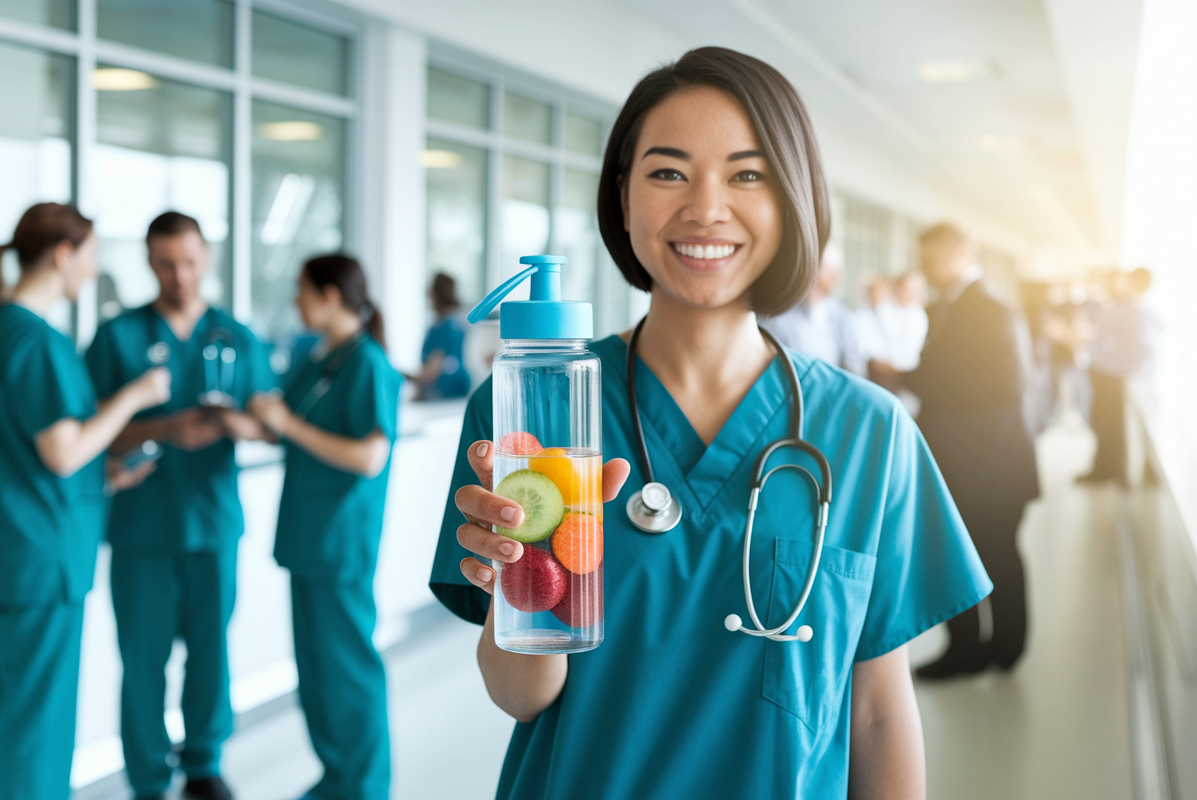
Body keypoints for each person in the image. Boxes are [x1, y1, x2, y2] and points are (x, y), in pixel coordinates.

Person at [429, 47, 990, 799]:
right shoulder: (534, 411)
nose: (705, 208)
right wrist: (517, 582)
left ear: (793, 200)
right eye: (668, 172)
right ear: (623, 196)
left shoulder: (869, 435)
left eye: (747, 175)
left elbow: (880, 713)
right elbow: (521, 695)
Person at [0, 203, 170, 800]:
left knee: (7, 710)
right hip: (39, 561)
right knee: (36, 724)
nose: (93, 270)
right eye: (93, 255)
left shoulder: (3, 331)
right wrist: (133, 397)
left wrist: (102, 481)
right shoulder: (34, 338)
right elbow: (61, 451)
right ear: (63, 254)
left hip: (14, 553)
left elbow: (33, 457)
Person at [84, 211, 273, 800]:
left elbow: (269, 421)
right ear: (148, 261)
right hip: (143, 529)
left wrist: (239, 424)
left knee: (210, 653)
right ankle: (146, 777)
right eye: (166, 263)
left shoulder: (235, 336)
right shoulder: (119, 336)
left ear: (206, 258)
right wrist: (164, 426)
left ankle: (203, 764)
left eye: (189, 261)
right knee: (143, 660)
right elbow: (86, 431)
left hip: (213, 523)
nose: (179, 275)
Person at [246, 254, 402, 800]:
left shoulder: (367, 364)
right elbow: (283, 423)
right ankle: (338, 780)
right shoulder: (320, 360)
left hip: (341, 541)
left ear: (332, 295)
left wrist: (286, 423)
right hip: (308, 540)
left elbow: (369, 456)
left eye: (303, 291)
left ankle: (364, 787)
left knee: (347, 673)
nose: (296, 302)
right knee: (316, 674)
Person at [870, 222, 1038, 679]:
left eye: (931, 259)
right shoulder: (951, 306)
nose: (924, 269)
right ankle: (976, 647)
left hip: (989, 466)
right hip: (967, 463)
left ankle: (999, 649)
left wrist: (908, 379)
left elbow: (1005, 382)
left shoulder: (988, 308)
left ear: (959, 253)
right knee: (958, 555)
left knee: (994, 555)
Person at [1079, 268, 1160, 483]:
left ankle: (1116, 473)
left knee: (1113, 427)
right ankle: (1115, 472)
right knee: (1112, 426)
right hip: (1116, 374)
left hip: (1117, 375)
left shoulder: (1132, 309)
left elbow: (1122, 345)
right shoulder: (1130, 308)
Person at [761, 240, 865, 375]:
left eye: (822, 271)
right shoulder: (778, 315)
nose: (813, 278)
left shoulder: (842, 318)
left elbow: (854, 368)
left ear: (834, 277)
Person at [409, 271, 472, 400]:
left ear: (436, 294)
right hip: (456, 394)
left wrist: (396, 374)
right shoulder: (456, 323)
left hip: (444, 396)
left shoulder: (445, 327)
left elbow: (430, 372)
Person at [852, 276, 896, 365]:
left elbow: (895, 341)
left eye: (881, 291)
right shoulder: (858, 316)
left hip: (892, 365)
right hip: (870, 365)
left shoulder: (892, 312)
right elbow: (861, 347)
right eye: (874, 291)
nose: (878, 295)